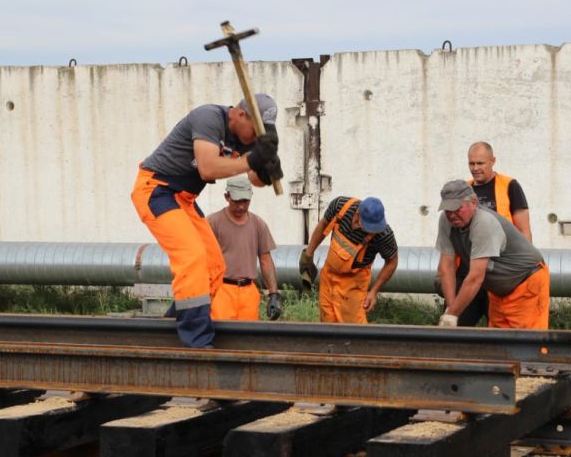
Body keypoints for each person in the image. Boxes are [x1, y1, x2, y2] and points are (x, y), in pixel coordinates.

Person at [130, 94, 283, 348]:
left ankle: (174, 324)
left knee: (214, 266)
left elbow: (254, 178)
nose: (255, 138)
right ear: (240, 115)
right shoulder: (209, 118)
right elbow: (208, 168)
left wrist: (268, 170)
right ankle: (196, 339)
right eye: (255, 132)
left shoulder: (246, 139)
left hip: (184, 198)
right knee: (192, 257)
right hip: (156, 189)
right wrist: (250, 160)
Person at [435, 180, 549, 330]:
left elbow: (475, 277)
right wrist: (450, 309)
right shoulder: (446, 221)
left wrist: (453, 314)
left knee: (527, 343)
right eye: (448, 210)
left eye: (458, 208)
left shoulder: (484, 223)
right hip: (498, 289)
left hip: (526, 283)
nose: (452, 215)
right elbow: (446, 267)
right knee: (498, 342)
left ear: (474, 203)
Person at [454, 141, 532, 326]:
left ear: (493, 161)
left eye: (480, 163)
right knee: (454, 327)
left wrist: (520, 274)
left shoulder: (509, 186)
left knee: (501, 332)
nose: (475, 168)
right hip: (468, 273)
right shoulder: (463, 189)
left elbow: (525, 232)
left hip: (499, 274)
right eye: (471, 163)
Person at [299, 196, 398, 324]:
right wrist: (308, 255)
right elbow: (323, 225)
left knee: (353, 331)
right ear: (358, 214)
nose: (374, 230)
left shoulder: (383, 234)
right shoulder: (340, 206)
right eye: (370, 226)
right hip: (328, 276)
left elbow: (392, 262)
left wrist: (374, 291)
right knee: (327, 324)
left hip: (353, 284)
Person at [207, 176, 283, 321]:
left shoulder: (258, 224)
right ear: (226, 197)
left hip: (249, 292)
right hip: (221, 290)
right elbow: (202, 259)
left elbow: (265, 260)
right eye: (236, 201)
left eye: (245, 201)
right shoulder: (212, 223)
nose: (241, 206)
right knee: (221, 338)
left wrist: (274, 294)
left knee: (247, 339)